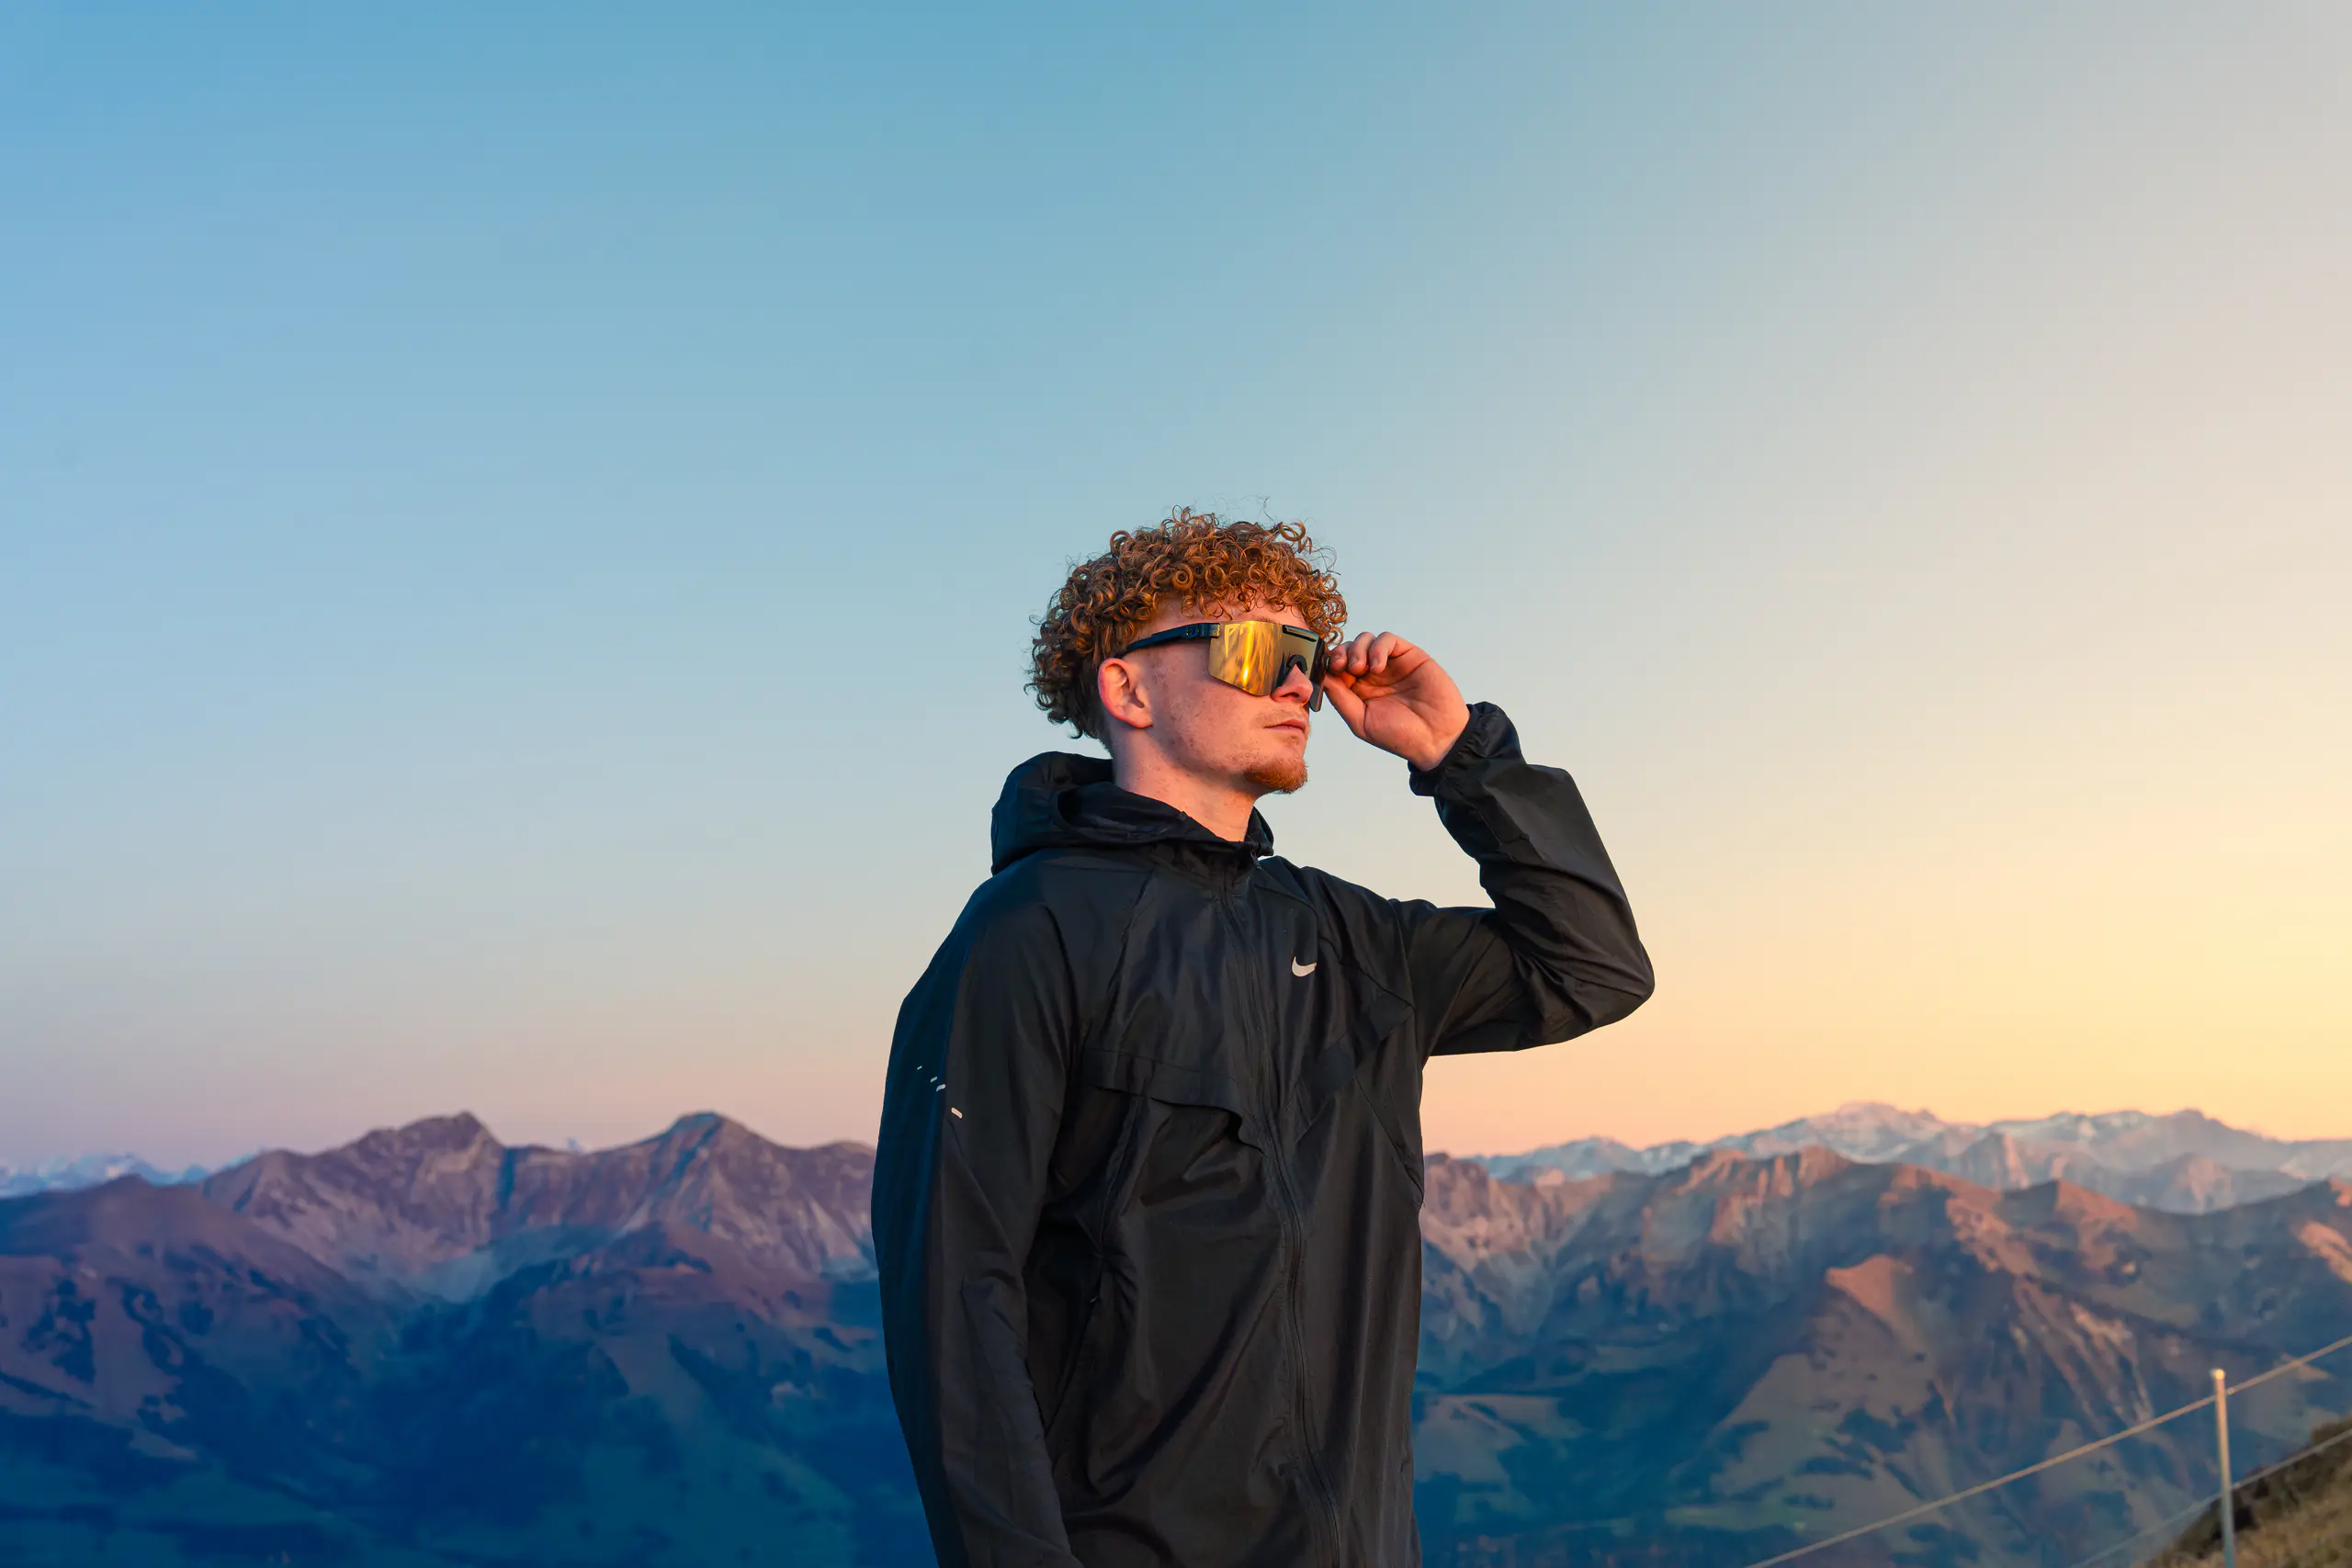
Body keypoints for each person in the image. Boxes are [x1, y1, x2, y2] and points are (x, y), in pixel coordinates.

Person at [872, 511, 1653, 1567]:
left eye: (1307, 655)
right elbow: (953, 1308)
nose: (1297, 683)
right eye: (1253, 649)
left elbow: (1591, 970)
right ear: (1129, 691)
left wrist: (1461, 756)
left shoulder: (1351, 938)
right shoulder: (1026, 936)